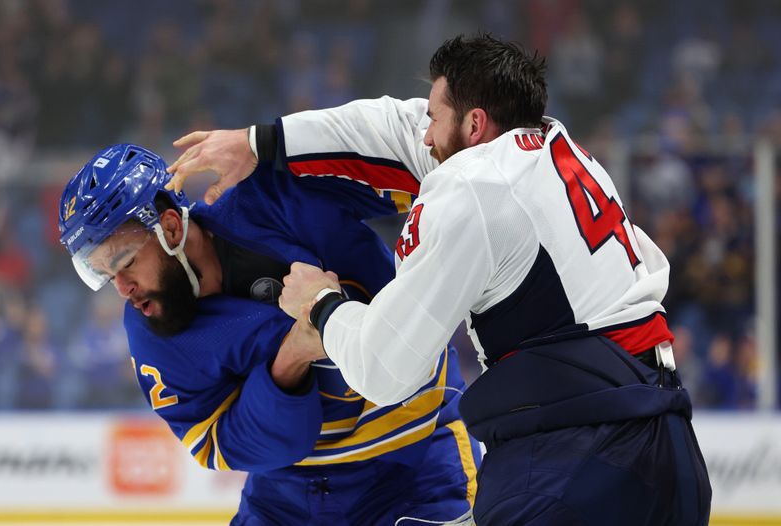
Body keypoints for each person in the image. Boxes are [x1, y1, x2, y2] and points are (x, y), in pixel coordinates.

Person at [168, 34, 712, 525]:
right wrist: (261, 142)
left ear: (474, 124)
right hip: (668, 441)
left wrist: (321, 305)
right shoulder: (553, 146)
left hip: (580, 459)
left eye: (435, 117)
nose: (424, 135)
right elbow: (391, 125)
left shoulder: (471, 188)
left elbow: (384, 368)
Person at [57, 143, 481, 525]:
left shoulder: (275, 199)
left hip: (415, 467)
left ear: (169, 228)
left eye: (126, 261)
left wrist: (280, 141)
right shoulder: (151, 330)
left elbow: (431, 167)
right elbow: (220, 443)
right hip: (286, 500)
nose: (122, 288)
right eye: (104, 272)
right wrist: (290, 358)